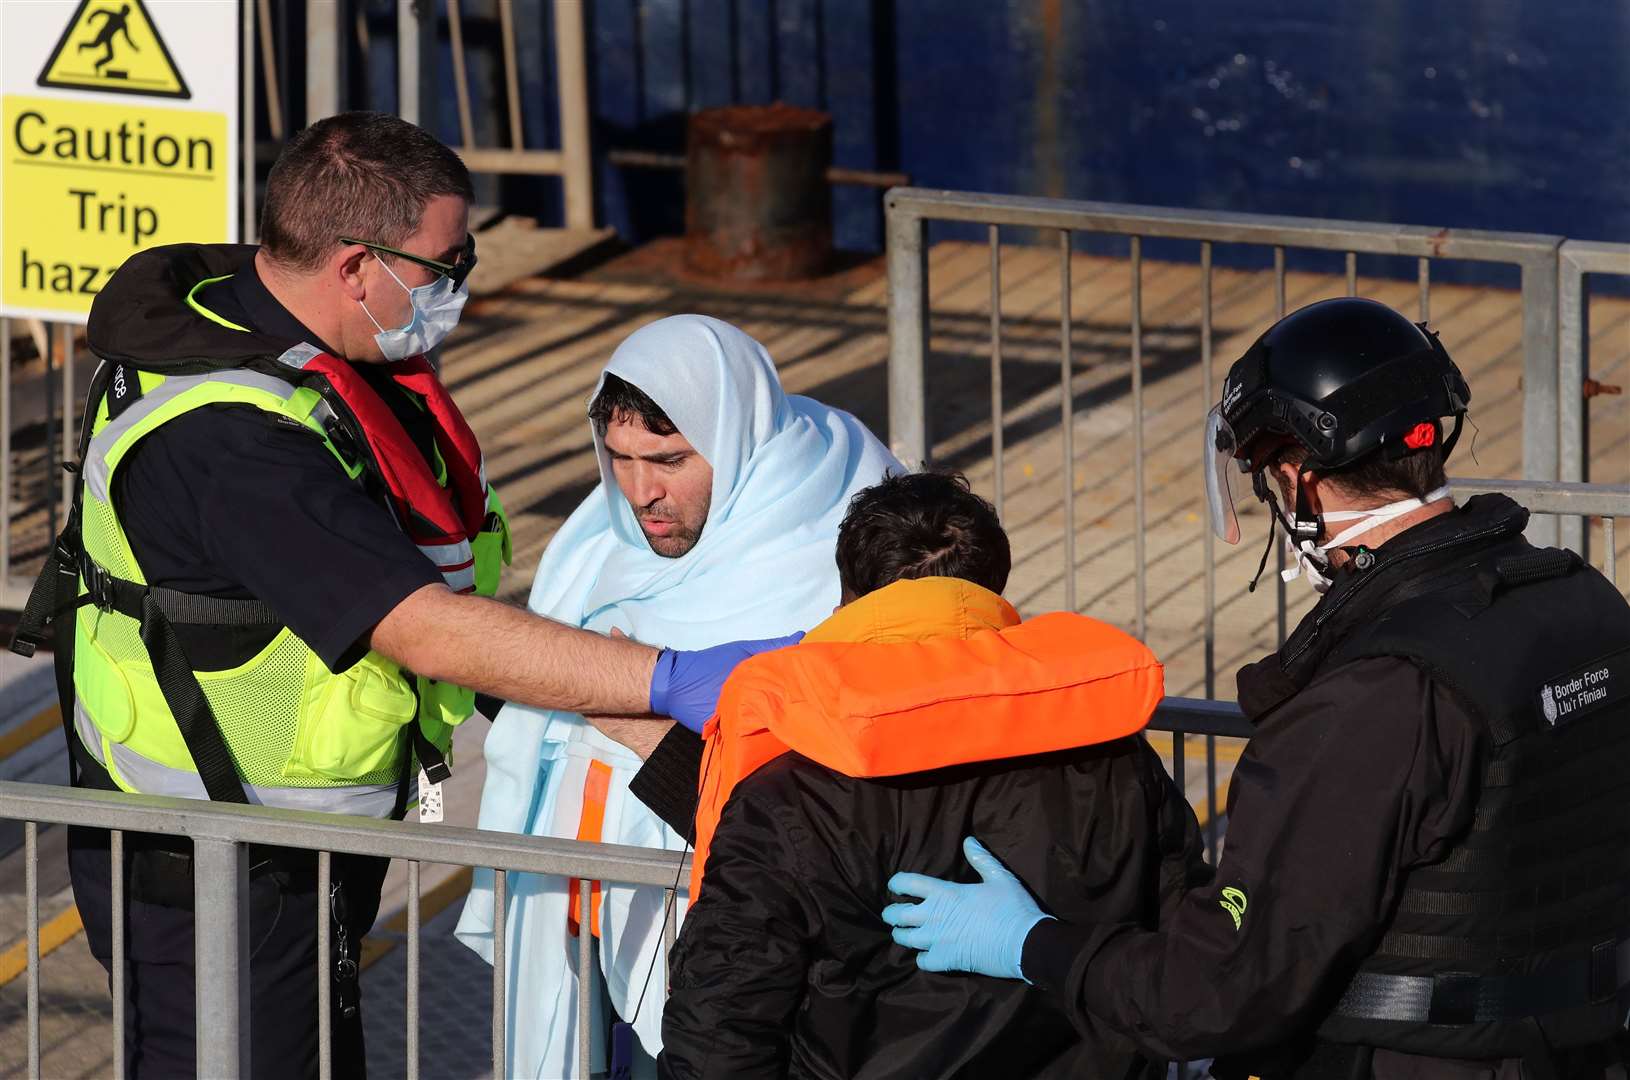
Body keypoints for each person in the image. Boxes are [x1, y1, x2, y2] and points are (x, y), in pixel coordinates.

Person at [8, 112, 788, 1080]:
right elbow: (422, 626)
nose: (459, 282)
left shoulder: (268, 327)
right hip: (214, 860)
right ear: (352, 266)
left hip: (290, 842)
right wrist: (667, 678)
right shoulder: (230, 441)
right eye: (443, 262)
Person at [883, 298, 1630, 1078]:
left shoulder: (1377, 696)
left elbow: (1218, 995)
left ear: (1296, 475)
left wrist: (1033, 944)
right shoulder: (1582, 600)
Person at [648, 471, 1208, 1079]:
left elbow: (719, 1031)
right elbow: (1190, 960)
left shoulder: (790, 794)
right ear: (993, 592)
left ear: (848, 603)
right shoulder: (1116, 759)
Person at [454, 314, 896, 1078]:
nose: (641, 492)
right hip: (582, 899)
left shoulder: (830, 539)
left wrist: (613, 703)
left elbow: (818, 795)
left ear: (736, 438)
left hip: (736, 938)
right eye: (618, 458)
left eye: (668, 460)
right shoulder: (598, 537)